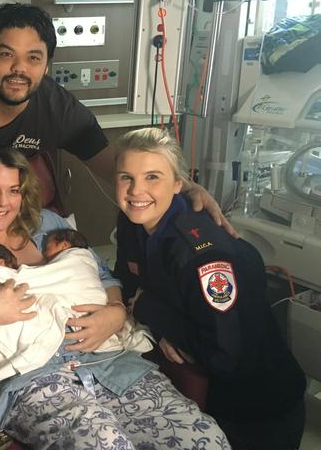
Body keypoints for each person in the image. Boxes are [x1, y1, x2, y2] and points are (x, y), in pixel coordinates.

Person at [0, 147, 230, 449]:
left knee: (203, 437)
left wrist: (115, 312)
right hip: (30, 377)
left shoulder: (49, 224)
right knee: (105, 444)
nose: (4, 202)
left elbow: (104, 278)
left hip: (109, 361)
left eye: (14, 190)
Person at [0, 2, 235, 236]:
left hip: (11, 218)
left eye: (33, 58)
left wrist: (184, 187)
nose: (19, 69)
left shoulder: (57, 107)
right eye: (6, 55)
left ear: (46, 65)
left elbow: (110, 162)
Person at [113, 127, 307, 450]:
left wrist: (153, 313)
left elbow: (223, 355)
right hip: (213, 398)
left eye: (152, 177)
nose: (136, 190)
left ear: (179, 184)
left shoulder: (200, 254)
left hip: (260, 410)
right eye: (126, 177)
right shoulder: (133, 220)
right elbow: (130, 282)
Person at [0, 232, 153, 389]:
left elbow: (101, 275)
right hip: (34, 372)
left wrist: (117, 311)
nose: (46, 256)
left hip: (108, 355)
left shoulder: (52, 225)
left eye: (14, 190)